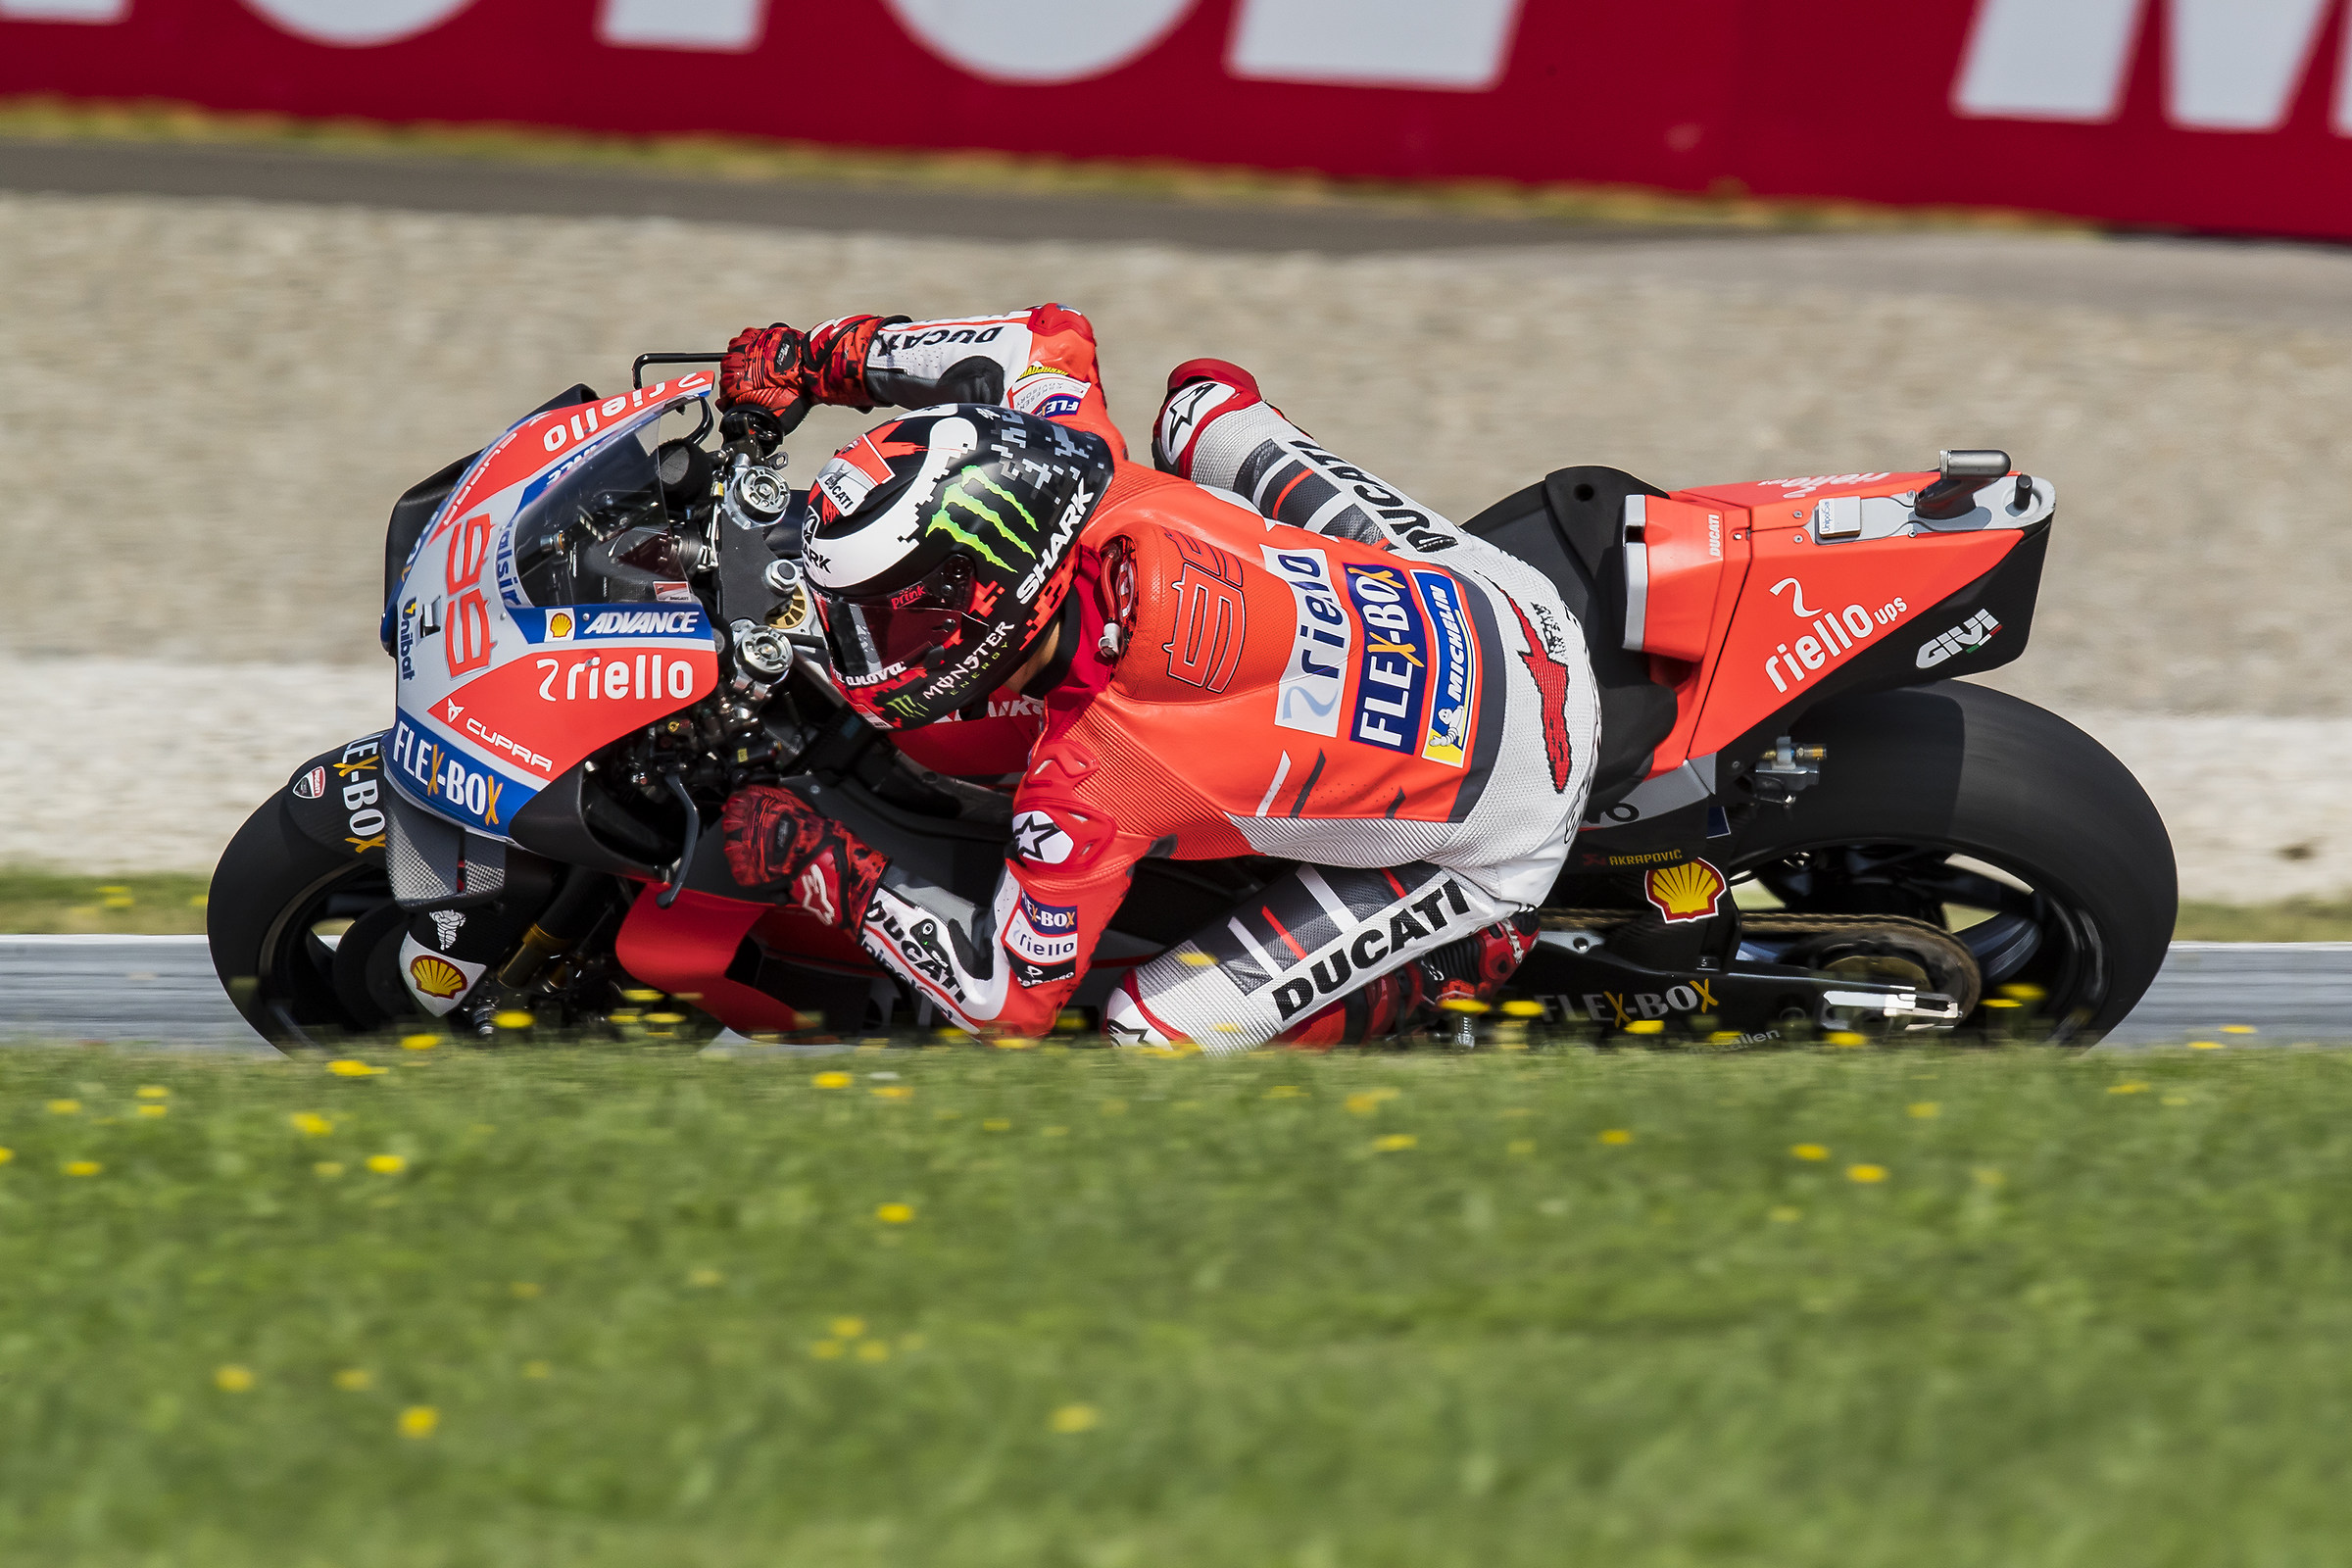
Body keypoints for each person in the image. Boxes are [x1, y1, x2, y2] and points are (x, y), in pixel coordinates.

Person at [716, 305, 1599, 1049]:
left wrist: (821, 864)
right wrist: (819, 358)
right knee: (1202, 402)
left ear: (987, 596)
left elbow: (1006, 1003)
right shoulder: (1083, 467)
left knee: (1148, 1028)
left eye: (893, 613)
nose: (869, 639)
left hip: (1514, 825)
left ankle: (1454, 961)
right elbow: (1046, 340)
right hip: (1522, 615)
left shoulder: (1089, 784)